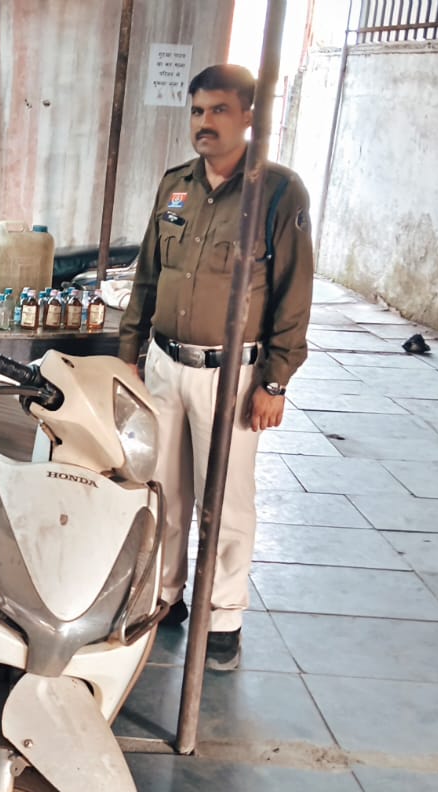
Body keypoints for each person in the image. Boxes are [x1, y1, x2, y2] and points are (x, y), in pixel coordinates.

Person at [118, 64, 313, 671]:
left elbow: (294, 294)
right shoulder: (175, 185)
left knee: (224, 502)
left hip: (231, 375)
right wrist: (129, 353)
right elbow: (149, 273)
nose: (205, 123)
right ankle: (165, 595)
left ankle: (223, 616)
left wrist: (276, 380)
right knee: (161, 490)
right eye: (198, 111)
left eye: (219, 110)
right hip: (164, 365)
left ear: (249, 116)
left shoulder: (277, 193)